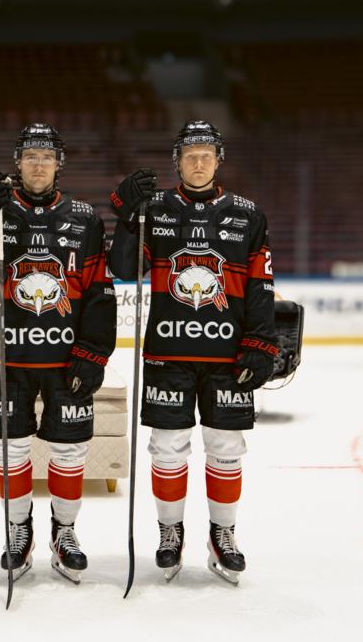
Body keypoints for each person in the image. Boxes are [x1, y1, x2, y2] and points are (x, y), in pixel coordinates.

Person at [108, 120, 278, 584]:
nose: (198, 162)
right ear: (177, 161)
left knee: (226, 449)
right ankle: (170, 532)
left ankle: (223, 534)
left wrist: (261, 342)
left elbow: (261, 286)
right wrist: (126, 216)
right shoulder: (154, 209)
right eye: (190, 155)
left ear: (218, 160)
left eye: (206, 155)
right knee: (167, 449)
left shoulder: (248, 215)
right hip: (168, 354)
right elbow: (123, 268)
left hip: (229, 358)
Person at [0, 123, 116, 583]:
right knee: (10, 451)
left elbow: (100, 292)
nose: (38, 164)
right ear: (18, 163)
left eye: (47, 156)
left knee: (70, 451)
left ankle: (64, 532)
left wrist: (93, 354)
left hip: (66, 361)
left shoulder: (85, 218)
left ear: (58, 163)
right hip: (7, 358)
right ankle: (18, 531)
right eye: (30, 156)